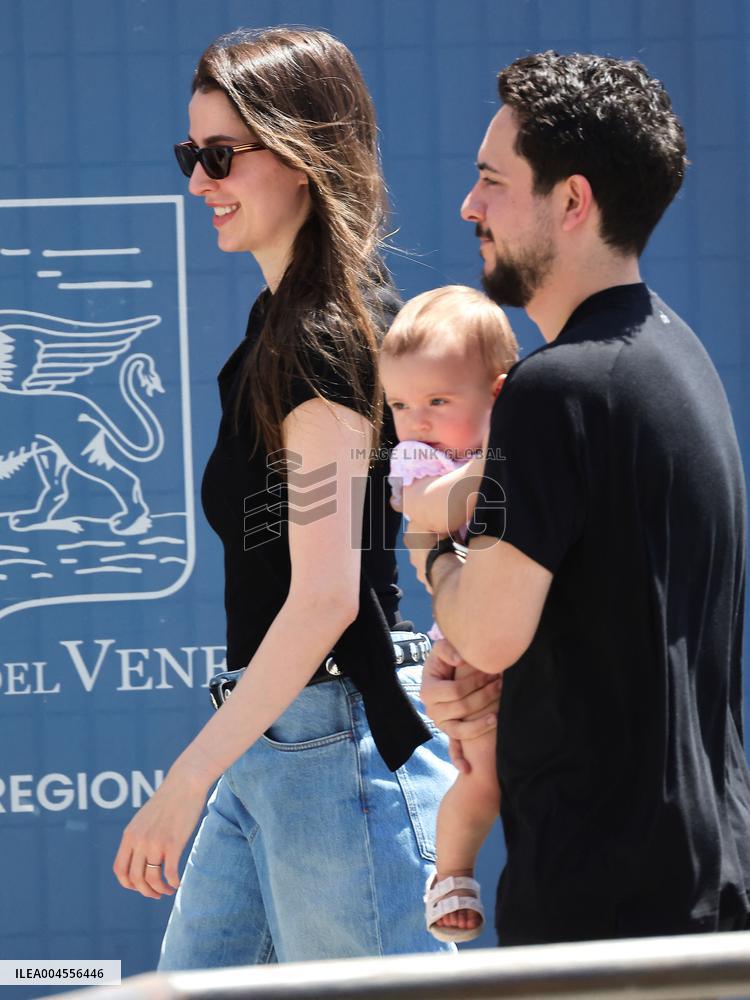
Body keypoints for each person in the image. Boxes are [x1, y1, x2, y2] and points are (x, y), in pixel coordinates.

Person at [113, 26, 456, 966]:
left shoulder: (322, 336)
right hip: (276, 747)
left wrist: (183, 783)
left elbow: (324, 597)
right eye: (192, 155)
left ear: (302, 157)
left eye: (219, 156)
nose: (197, 183)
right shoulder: (281, 327)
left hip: (333, 751)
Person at [411, 51, 750, 945]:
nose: (469, 207)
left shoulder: (554, 390)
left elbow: (485, 628)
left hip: (606, 912)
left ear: (572, 202)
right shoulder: (680, 362)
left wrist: (425, 539)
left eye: (492, 182)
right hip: (706, 889)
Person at [379, 286, 517, 940]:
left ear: (497, 392)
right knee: (481, 775)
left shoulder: (523, 438)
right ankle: (453, 872)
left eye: (438, 401)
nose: (418, 420)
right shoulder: (420, 460)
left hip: (534, 642)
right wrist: (499, 463)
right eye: (401, 404)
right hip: (464, 649)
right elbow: (432, 510)